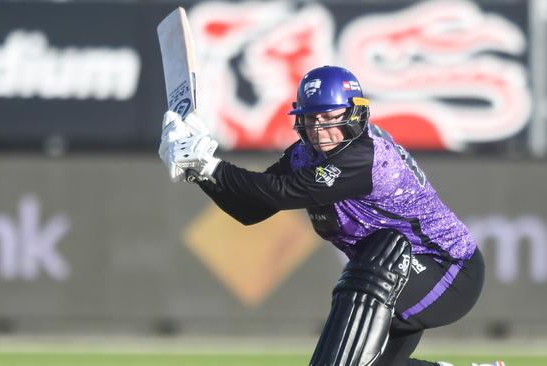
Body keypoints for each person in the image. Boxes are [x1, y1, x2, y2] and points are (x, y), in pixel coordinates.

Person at [159, 66, 500, 366]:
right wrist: (197, 171)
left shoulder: (365, 157)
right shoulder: (304, 155)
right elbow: (251, 208)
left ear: (354, 114)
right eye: (311, 119)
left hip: (449, 272)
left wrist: (210, 163)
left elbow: (277, 191)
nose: (320, 129)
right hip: (397, 274)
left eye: (329, 117)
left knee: (374, 263)